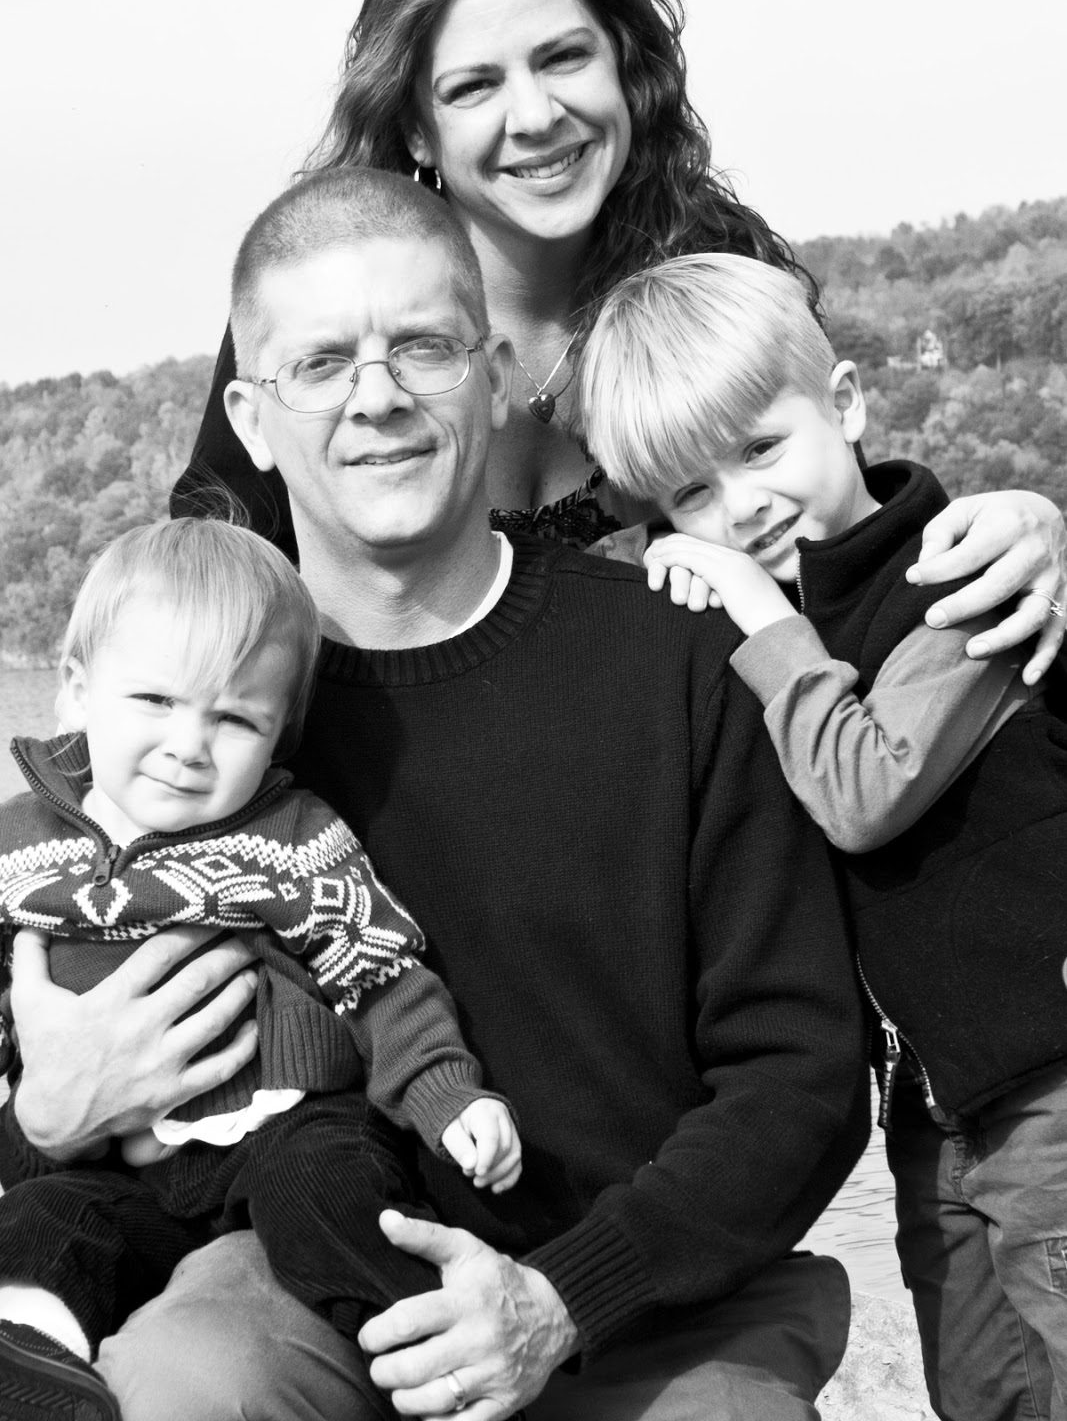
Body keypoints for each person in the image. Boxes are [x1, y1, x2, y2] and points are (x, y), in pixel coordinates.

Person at [5, 167, 870, 1421]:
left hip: (644, 1300)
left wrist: (561, 1297)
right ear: (250, 417)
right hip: (314, 1283)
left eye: (422, 347)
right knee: (187, 1379)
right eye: (321, 363)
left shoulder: (679, 655)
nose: (377, 397)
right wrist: (42, 1112)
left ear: (496, 373)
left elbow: (801, 1071)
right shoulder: (193, 722)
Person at [170, 0, 1067, 681]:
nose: (535, 115)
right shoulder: (322, 321)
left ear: (624, 66)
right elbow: (200, 605)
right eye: (474, 86)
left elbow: (845, 544)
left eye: (563, 57)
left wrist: (1021, 525)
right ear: (415, 130)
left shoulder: (715, 279)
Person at [578, 250, 1067, 1421]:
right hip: (939, 1108)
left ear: (842, 404)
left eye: (760, 449)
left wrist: (752, 610)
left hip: (1050, 1079)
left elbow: (864, 785)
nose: (739, 508)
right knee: (983, 1386)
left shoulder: (956, 577)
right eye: (691, 495)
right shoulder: (795, 624)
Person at [0, 517, 519, 1421]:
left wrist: (447, 1095)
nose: (188, 744)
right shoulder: (21, 848)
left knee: (328, 1193)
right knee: (44, 1226)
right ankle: (32, 1372)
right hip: (122, 1171)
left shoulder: (287, 838)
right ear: (76, 692)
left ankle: (436, 1369)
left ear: (278, 738)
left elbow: (379, 969)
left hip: (286, 1126)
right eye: (155, 700)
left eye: (234, 718)